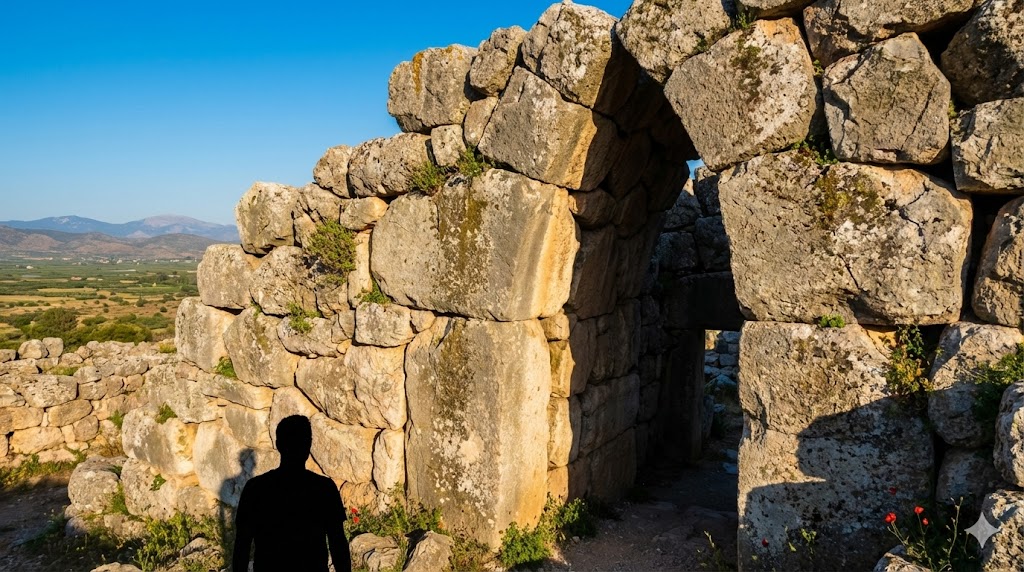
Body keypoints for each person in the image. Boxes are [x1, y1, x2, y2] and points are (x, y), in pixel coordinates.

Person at [233, 415, 351, 572]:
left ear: (278, 445)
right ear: (308, 446)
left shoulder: (256, 489)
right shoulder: (324, 489)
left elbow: (242, 546)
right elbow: (338, 544)